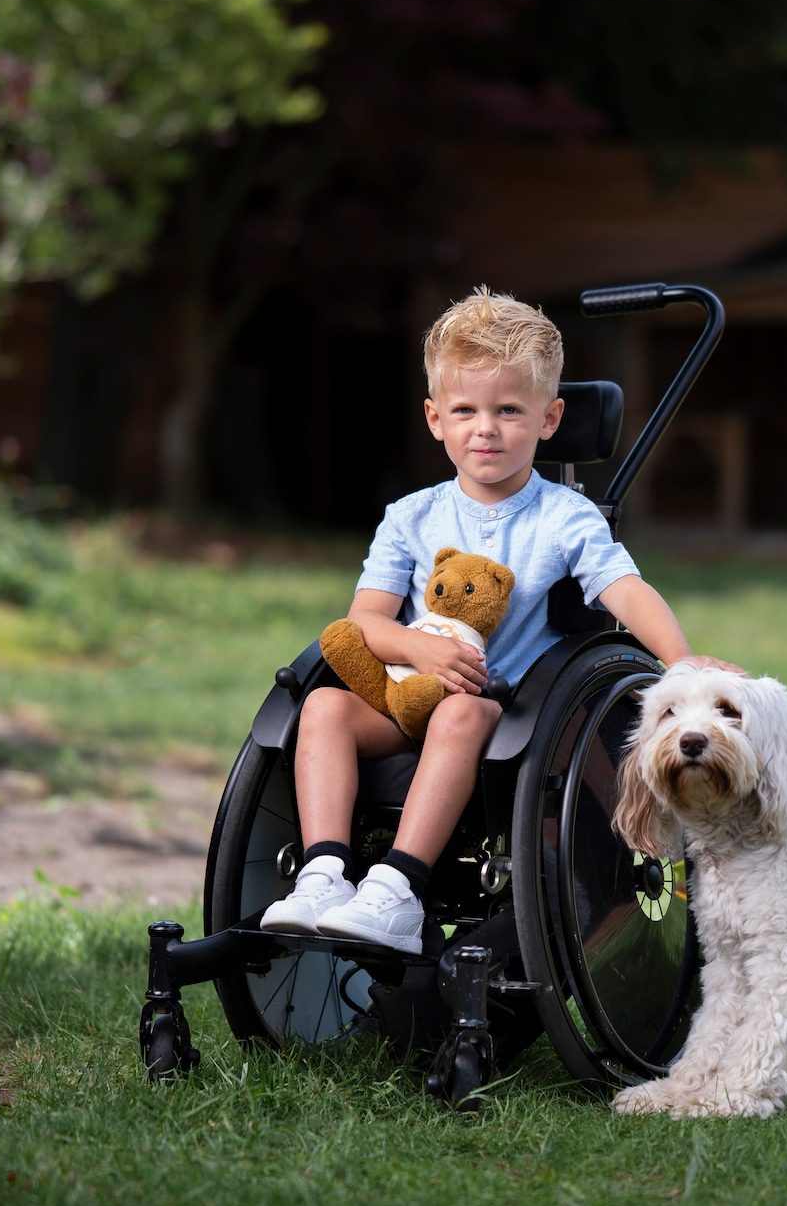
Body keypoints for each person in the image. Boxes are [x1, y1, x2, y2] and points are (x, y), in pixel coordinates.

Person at [261, 286, 735, 951]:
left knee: (459, 712)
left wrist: (682, 664)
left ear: (549, 417)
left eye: (509, 410)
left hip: (500, 708)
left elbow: (626, 590)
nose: (486, 427)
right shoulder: (412, 515)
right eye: (466, 410)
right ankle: (324, 874)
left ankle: (396, 888)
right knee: (323, 709)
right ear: (435, 418)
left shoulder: (563, 517)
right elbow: (364, 621)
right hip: (406, 694)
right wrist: (418, 650)